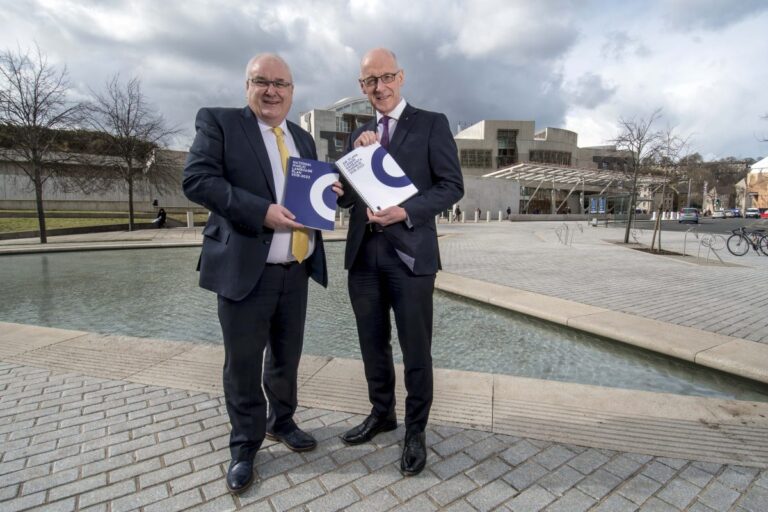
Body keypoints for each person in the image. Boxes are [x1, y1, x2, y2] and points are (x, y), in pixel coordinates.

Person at [182, 53, 343, 494]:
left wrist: (332, 191)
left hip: (296, 269)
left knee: (287, 357)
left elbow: (315, 194)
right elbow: (196, 180)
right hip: (245, 269)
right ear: (247, 85)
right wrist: (262, 212)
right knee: (243, 364)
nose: (272, 91)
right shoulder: (220, 123)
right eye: (262, 82)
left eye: (281, 84)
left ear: (292, 92)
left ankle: (282, 421)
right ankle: (245, 445)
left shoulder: (304, 140)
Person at [337, 48, 464, 476]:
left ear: (401, 77)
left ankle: (415, 429)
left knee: (415, 350)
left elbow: (451, 186)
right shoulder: (358, 135)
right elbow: (350, 195)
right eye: (370, 81)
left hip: (410, 255)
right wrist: (350, 167)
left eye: (386, 77)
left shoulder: (431, 123)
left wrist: (407, 211)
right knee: (373, 344)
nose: (379, 87)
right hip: (364, 255)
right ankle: (382, 413)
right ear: (362, 87)